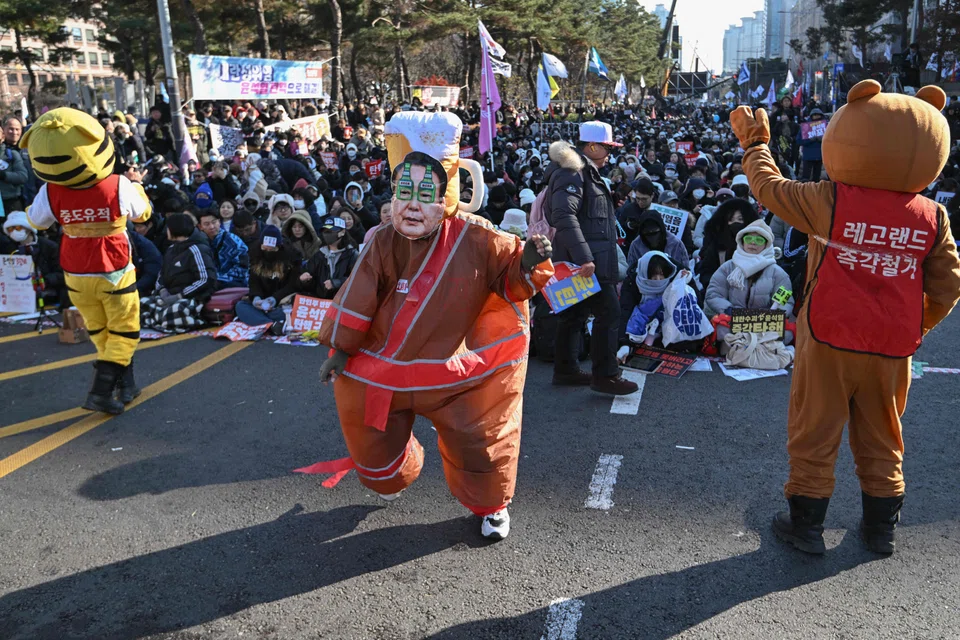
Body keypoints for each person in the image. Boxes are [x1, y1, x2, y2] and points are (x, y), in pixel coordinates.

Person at [298, 111, 554, 541]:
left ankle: (491, 506)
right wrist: (340, 350)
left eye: (425, 191)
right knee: (368, 435)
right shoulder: (382, 239)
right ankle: (398, 469)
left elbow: (510, 280)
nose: (413, 203)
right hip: (387, 369)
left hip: (457, 372)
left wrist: (528, 261)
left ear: (448, 191)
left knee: (483, 440)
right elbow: (358, 294)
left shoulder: (480, 237)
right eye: (404, 189)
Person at [731, 81, 960, 556]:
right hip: (893, 345)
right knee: (883, 433)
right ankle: (881, 531)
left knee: (815, 428)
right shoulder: (933, 216)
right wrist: (917, 324)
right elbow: (948, 286)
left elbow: (770, 189)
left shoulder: (829, 199)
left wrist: (756, 145)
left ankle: (806, 527)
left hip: (830, 334)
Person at [20, 108, 152, 415]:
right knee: (123, 331)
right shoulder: (117, 184)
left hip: (75, 270)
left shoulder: (51, 190)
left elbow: (37, 221)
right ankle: (101, 390)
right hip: (113, 267)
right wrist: (136, 185)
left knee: (100, 329)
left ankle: (126, 384)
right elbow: (142, 214)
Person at [545, 121, 638, 395]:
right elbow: (563, 215)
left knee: (574, 315)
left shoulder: (584, 172)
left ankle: (566, 369)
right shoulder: (573, 172)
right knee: (609, 313)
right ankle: (606, 375)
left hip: (586, 259)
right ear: (593, 146)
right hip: (586, 263)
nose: (610, 153)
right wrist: (585, 257)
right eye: (608, 147)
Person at [705, 220, 795, 346]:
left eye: (759, 240)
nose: (753, 243)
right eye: (748, 239)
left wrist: (773, 314)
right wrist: (728, 309)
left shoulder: (777, 273)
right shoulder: (728, 267)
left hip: (764, 322)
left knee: (789, 333)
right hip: (734, 319)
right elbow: (714, 294)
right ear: (742, 241)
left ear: (767, 245)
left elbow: (786, 302)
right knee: (721, 329)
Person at [140, 212, 217, 333]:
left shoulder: (197, 249)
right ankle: (158, 319)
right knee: (141, 303)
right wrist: (162, 291)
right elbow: (161, 274)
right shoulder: (171, 249)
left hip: (192, 297)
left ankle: (156, 319)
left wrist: (180, 295)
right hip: (168, 294)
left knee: (176, 310)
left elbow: (206, 279)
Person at [235, 226, 301, 333]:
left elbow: (292, 285)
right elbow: (253, 282)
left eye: (272, 250)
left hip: (281, 302)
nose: (268, 252)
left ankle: (260, 322)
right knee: (240, 306)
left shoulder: (291, 259)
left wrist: (275, 299)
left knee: (289, 310)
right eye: (265, 249)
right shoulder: (255, 257)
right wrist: (256, 298)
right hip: (262, 302)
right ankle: (272, 326)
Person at [2, 210, 65, 307]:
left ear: (28, 228)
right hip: (17, 298)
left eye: (18, 227)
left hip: (48, 294)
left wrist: (44, 281)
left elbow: (61, 274)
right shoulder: (8, 249)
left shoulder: (49, 247)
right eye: (10, 229)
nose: (14, 231)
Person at [696, 198, 760, 292]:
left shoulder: (760, 245)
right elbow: (706, 273)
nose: (735, 223)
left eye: (740, 219)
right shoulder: (716, 247)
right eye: (731, 219)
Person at [624, 251, 678, 345]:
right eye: (653, 275)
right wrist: (624, 343)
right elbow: (626, 311)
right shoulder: (633, 285)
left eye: (661, 274)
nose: (658, 279)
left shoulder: (672, 283)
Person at [300, 217, 358, 299]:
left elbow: (357, 280)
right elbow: (311, 284)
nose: (326, 234)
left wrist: (336, 283)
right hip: (321, 303)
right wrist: (305, 280)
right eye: (325, 231)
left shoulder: (352, 255)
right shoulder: (319, 254)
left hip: (343, 302)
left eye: (330, 231)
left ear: (342, 232)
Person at [625, 208, 690, 272]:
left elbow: (684, 271)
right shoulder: (636, 245)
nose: (652, 238)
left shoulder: (676, 244)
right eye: (647, 234)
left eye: (655, 233)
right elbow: (631, 270)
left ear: (661, 230)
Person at [197, 208, 249, 288]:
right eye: (206, 224)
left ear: (219, 222)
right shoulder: (200, 243)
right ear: (200, 227)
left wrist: (219, 279)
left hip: (236, 282)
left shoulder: (232, 240)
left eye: (214, 222)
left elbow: (243, 268)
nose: (211, 227)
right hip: (212, 281)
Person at [1, 115, 29, 213]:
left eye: (17, 129)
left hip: (31, 196)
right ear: (3, 129)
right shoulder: (3, 152)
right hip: (10, 199)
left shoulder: (28, 148)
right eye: (11, 129)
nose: (14, 132)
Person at [797, 109, 825, 182]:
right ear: (811, 116)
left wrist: (822, 139)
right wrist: (809, 140)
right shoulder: (805, 127)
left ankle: (815, 192)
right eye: (815, 115)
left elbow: (831, 140)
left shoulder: (826, 126)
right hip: (808, 156)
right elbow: (799, 141)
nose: (816, 116)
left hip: (819, 156)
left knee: (816, 178)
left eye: (818, 115)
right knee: (805, 177)